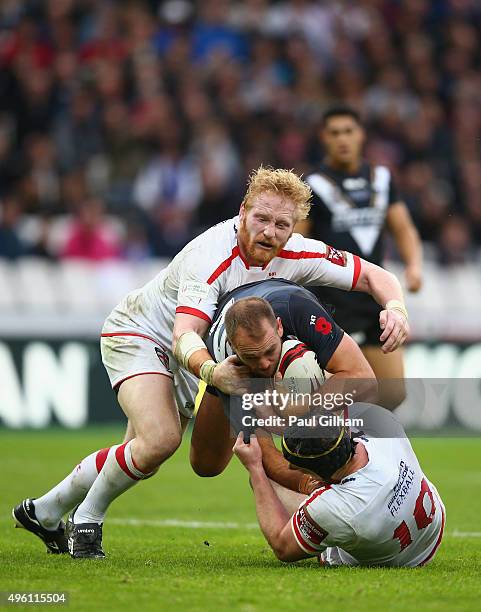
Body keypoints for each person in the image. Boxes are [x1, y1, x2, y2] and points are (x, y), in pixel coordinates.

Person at [13, 166, 408, 559]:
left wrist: (395, 307)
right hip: (144, 332)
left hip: (202, 349)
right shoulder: (212, 256)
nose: (270, 231)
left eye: (282, 224)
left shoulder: (298, 252)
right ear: (242, 212)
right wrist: (211, 372)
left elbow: (376, 276)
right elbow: (183, 334)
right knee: (161, 440)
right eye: (262, 219)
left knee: (141, 453)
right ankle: (87, 522)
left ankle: (43, 511)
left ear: (294, 227)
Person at [298, 106, 422, 409]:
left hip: (373, 301)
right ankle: (330, 450)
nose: (343, 139)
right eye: (335, 133)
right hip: (330, 302)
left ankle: (364, 448)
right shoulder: (313, 185)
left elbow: (402, 227)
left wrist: (414, 265)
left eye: (349, 131)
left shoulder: (381, 178)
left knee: (393, 393)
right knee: (337, 394)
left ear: (361, 135)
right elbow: (297, 242)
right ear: (324, 138)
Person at [190, 280, 376, 481]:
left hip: (283, 295)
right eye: (252, 357)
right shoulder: (229, 367)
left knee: (331, 423)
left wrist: (302, 409)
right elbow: (266, 457)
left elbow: (365, 379)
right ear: (233, 347)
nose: (263, 364)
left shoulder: (300, 312)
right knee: (207, 465)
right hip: (231, 364)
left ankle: (352, 450)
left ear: (279, 327)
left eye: (269, 351)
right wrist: (314, 487)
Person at [232, 404, 446, 567]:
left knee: (266, 483)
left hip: (398, 558)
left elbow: (282, 546)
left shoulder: (334, 508)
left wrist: (255, 468)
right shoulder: (378, 419)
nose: (296, 471)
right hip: (431, 526)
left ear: (316, 475)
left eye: (301, 469)